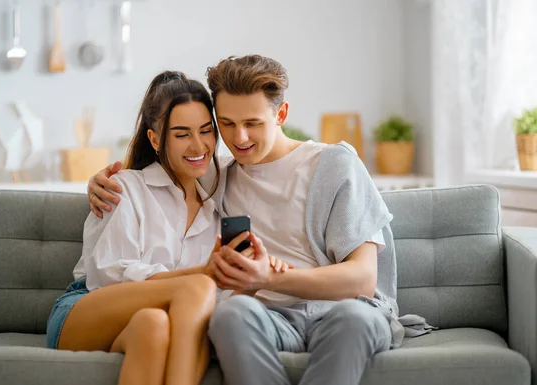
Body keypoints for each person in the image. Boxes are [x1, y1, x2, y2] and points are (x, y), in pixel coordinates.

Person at [88, 55, 431, 385]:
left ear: (281, 113)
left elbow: (361, 279)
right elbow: (168, 164)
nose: (240, 139)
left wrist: (270, 278)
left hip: (343, 310)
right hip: (267, 319)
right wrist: (101, 181)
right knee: (229, 316)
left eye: (253, 123)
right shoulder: (220, 176)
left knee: (352, 318)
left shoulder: (333, 166)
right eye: (227, 124)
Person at [46, 70, 290, 385]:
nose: (198, 145)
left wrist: (251, 281)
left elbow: (205, 308)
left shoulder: (218, 205)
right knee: (199, 285)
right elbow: (108, 275)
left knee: (154, 324)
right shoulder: (125, 188)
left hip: (149, 320)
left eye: (206, 131)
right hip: (87, 309)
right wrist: (200, 275)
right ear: (155, 139)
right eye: (182, 134)